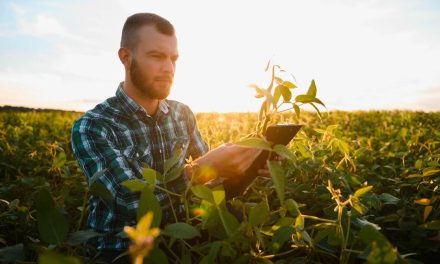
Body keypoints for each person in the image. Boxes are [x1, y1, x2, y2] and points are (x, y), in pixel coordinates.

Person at [71, 13, 268, 263]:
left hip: (185, 234)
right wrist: (200, 170)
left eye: (174, 59)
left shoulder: (182, 113)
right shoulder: (94, 126)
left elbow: (209, 188)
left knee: (241, 233)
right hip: (124, 248)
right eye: (157, 56)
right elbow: (130, 204)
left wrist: (242, 170)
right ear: (126, 57)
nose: (169, 68)